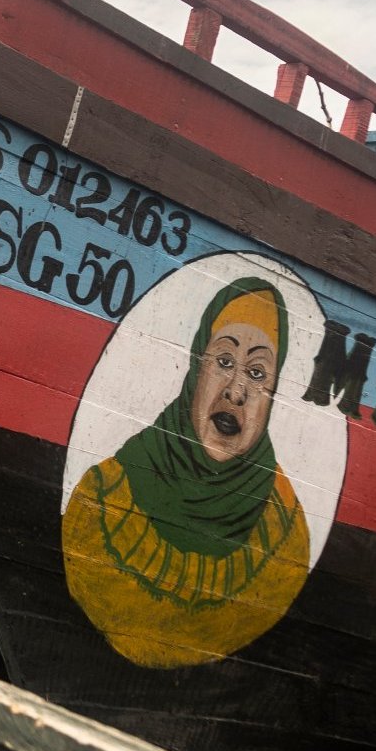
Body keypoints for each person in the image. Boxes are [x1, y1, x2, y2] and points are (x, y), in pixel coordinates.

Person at [60, 277, 310, 670]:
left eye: (258, 373)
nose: (236, 391)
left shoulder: (285, 534)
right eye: (224, 362)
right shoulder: (104, 501)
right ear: (196, 366)